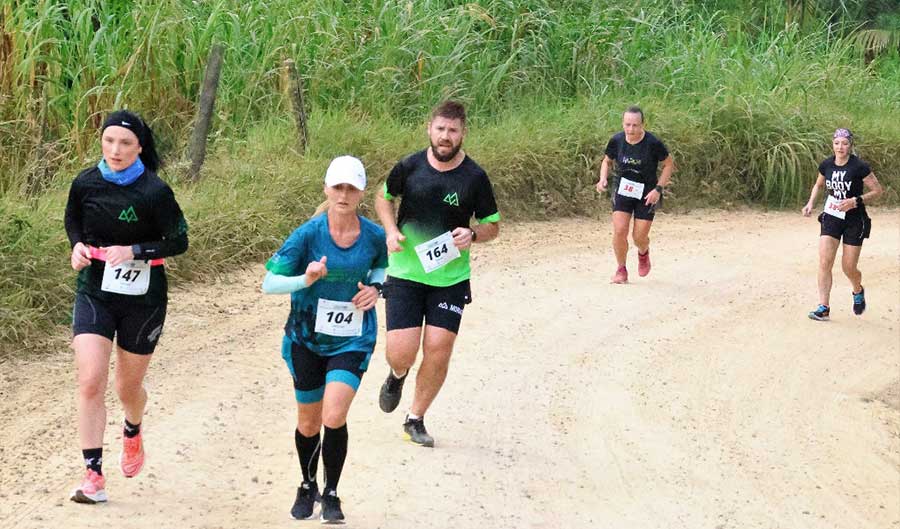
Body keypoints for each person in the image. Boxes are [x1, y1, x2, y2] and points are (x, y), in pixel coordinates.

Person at [64, 110, 189, 503]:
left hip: (143, 299)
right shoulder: (85, 182)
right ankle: (93, 476)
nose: (115, 150)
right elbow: (73, 223)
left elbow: (179, 240)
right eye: (109, 141)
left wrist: (134, 250)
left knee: (127, 386)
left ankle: (133, 428)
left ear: (139, 148)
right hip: (95, 291)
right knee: (90, 379)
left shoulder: (154, 192)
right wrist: (78, 248)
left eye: (125, 144)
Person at [262, 155, 387, 523]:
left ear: (361, 193)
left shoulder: (374, 235)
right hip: (306, 338)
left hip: (352, 339)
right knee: (308, 423)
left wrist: (376, 287)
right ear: (326, 189)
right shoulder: (307, 235)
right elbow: (269, 282)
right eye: (338, 187)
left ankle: (332, 494)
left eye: (351, 188)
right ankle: (307, 484)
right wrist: (306, 279)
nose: (344, 194)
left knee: (334, 414)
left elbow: (384, 264)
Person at [374, 100, 500, 448]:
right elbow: (383, 198)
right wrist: (389, 230)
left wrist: (473, 234)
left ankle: (415, 418)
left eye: (453, 131)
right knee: (401, 351)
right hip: (406, 272)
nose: (446, 137)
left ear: (463, 134)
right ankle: (397, 375)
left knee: (438, 348)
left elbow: (493, 226)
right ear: (429, 129)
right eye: (441, 129)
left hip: (449, 278)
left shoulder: (474, 177)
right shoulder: (409, 166)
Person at [802, 128, 882, 321]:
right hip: (832, 216)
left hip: (855, 219)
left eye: (844, 143)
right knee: (824, 261)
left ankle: (857, 290)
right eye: (837, 143)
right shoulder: (827, 164)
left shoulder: (859, 167)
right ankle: (824, 307)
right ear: (833, 144)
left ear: (850, 145)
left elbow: (878, 190)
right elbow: (819, 185)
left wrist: (855, 201)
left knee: (848, 267)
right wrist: (811, 202)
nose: (840, 147)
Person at [595, 106, 675, 283]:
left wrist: (658, 189)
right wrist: (602, 179)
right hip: (623, 189)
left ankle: (643, 252)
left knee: (639, 237)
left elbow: (669, 165)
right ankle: (621, 269)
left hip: (647, 193)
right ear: (623, 124)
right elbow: (607, 161)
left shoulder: (653, 143)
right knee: (620, 230)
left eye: (635, 125)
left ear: (642, 125)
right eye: (627, 125)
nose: (631, 130)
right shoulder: (616, 140)